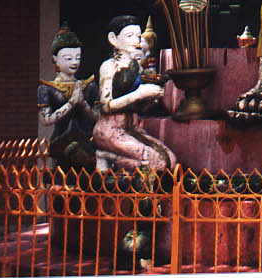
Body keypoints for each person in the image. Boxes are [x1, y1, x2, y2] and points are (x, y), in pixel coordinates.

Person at [91, 15, 177, 172]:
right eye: (129, 36)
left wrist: (151, 97)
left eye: (138, 36)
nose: (135, 41)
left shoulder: (136, 67)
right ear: (113, 39)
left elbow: (139, 107)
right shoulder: (109, 66)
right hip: (110, 129)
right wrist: (139, 93)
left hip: (132, 126)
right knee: (157, 163)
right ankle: (106, 156)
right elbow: (106, 105)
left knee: (170, 160)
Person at [38, 26, 99, 167]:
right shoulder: (46, 88)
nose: (74, 62)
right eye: (68, 58)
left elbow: (99, 116)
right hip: (61, 141)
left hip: (86, 140)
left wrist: (83, 103)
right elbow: (46, 119)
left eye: (78, 58)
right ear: (55, 59)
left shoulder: (88, 85)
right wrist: (71, 103)